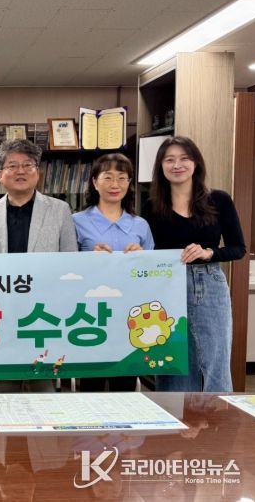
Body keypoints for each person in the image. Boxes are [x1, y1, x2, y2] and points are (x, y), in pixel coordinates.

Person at [142, 136, 245, 392]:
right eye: (169, 160)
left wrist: (209, 253)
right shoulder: (151, 206)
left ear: (196, 163)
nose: (177, 165)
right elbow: (147, 250)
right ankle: (175, 417)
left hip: (208, 283)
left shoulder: (219, 200)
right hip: (166, 286)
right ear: (161, 166)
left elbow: (238, 248)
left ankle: (217, 417)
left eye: (184, 158)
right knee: (172, 360)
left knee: (215, 359)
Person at [0, 139, 77, 392]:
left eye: (27, 165)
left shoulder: (60, 210)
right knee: (6, 385)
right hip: (3, 309)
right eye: (12, 165)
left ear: (37, 172)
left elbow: (70, 261)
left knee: (43, 384)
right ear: (0, 175)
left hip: (45, 310)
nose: (20, 171)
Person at [72, 153, 154, 392]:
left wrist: (143, 257)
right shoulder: (76, 221)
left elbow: (153, 272)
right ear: (95, 182)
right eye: (107, 177)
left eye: (121, 177)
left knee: (125, 382)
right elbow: (65, 266)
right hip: (88, 313)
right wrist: (88, 258)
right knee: (91, 384)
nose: (115, 184)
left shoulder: (140, 225)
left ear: (129, 183)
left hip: (129, 313)